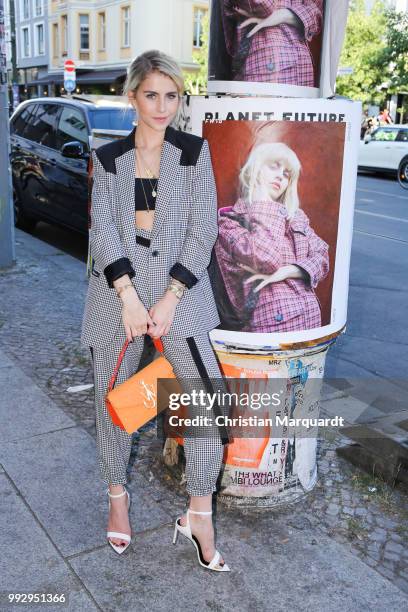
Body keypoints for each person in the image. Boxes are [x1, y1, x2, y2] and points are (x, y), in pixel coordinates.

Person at [80, 50, 230, 571]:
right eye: (152, 95)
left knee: (209, 402)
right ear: (132, 97)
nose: (162, 106)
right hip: (115, 291)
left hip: (178, 293)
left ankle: (198, 511)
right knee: (118, 400)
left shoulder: (193, 152)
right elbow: (104, 230)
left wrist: (169, 297)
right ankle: (118, 497)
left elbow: (203, 228)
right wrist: (127, 297)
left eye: (172, 95)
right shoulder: (109, 156)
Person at [214, 142, 329, 333]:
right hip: (271, 337)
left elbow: (323, 257)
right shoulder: (229, 222)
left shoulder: (296, 216)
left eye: (286, 174)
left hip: (310, 325)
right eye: (274, 166)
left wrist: (290, 271)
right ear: (255, 169)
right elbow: (267, 259)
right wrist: (263, 202)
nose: (280, 176)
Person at [221, 0, 323, 85]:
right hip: (268, 64)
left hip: (296, 66)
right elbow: (262, 5)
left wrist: (284, 14)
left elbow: (316, 13)